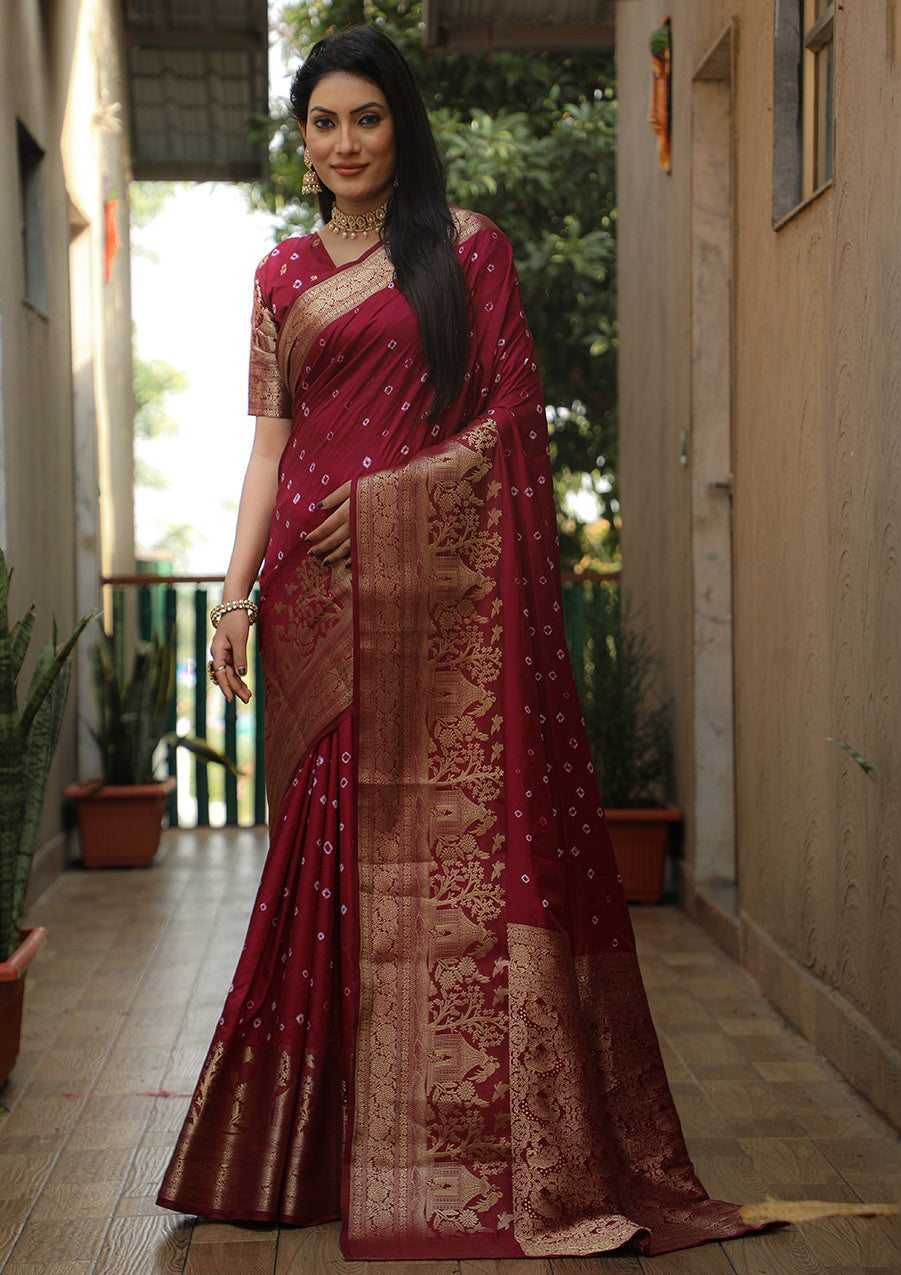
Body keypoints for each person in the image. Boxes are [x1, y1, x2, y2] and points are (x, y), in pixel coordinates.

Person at [156, 25, 766, 1260]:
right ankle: (312, 1152)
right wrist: (232, 598)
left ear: (402, 126)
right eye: (323, 123)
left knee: (456, 867)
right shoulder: (279, 276)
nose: (344, 144)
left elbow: (511, 423)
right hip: (313, 605)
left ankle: (466, 1148)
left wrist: (385, 513)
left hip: (439, 605)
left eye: (366, 119)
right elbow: (270, 447)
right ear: (304, 138)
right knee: (324, 868)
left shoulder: (466, 251)